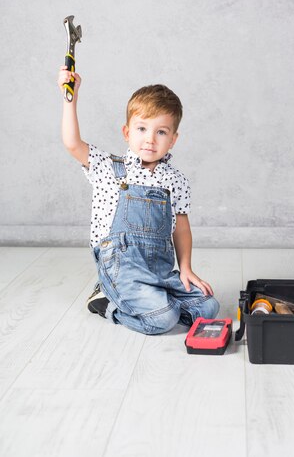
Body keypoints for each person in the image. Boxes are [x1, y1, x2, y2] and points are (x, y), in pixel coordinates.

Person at [57, 65, 219, 334]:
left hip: (159, 270)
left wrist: (186, 268)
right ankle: (106, 301)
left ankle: (154, 301)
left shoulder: (176, 180)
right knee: (163, 320)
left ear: (173, 139)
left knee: (207, 307)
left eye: (161, 132)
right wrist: (69, 99)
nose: (150, 140)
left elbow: (182, 228)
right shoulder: (109, 167)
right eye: (142, 128)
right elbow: (72, 143)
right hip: (122, 268)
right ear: (127, 132)